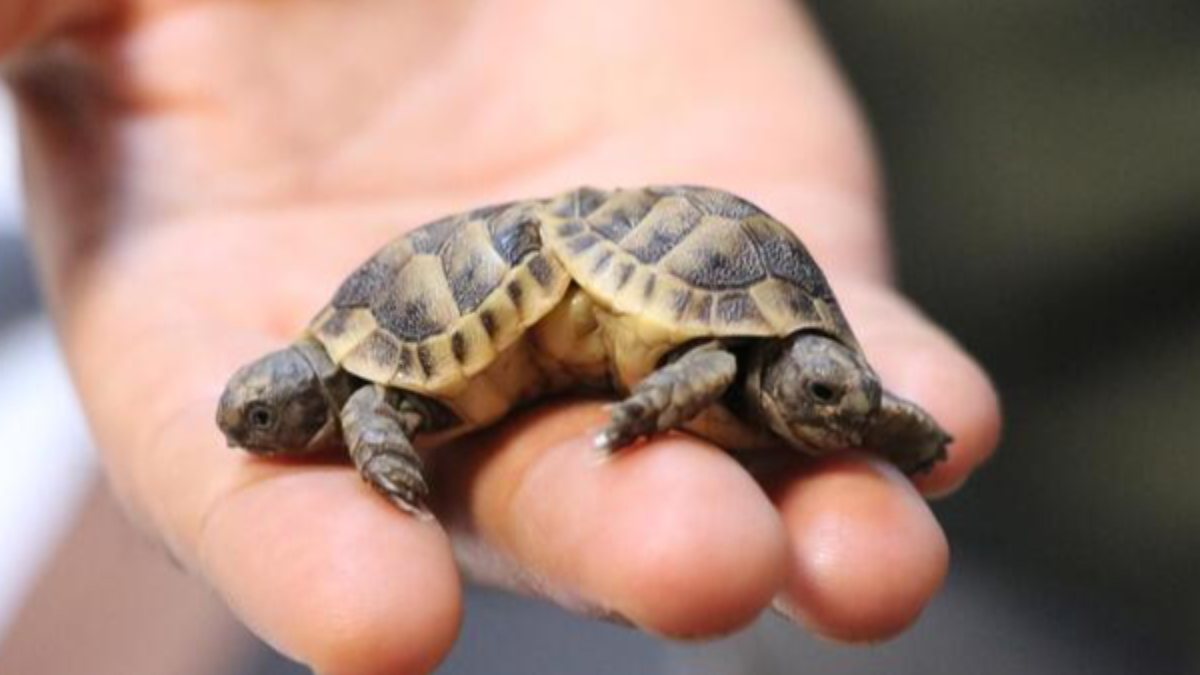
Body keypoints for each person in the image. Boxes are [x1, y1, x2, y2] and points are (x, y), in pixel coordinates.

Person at [4, 1, 1000, 672]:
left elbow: (745, 370)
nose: (256, 427)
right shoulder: (367, 392)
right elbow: (377, 411)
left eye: (264, 411)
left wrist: (871, 421)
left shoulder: (749, 362)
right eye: (256, 415)